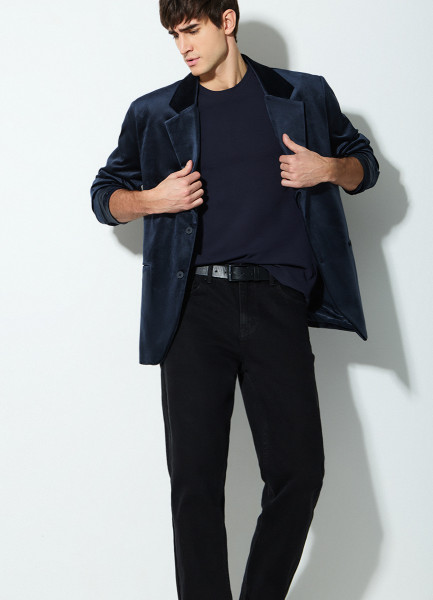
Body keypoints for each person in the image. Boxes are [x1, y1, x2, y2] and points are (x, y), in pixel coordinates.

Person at [91, 1, 379, 598]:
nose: (183, 46)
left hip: (277, 301)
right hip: (192, 308)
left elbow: (364, 167)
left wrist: (327, 168)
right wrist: (154, 200)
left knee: (299, 473)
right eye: (174, 35)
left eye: (191, 30)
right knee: (194, 484)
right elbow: (104, 196)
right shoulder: (155, 112)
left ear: (227, 21)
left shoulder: (304, 95)